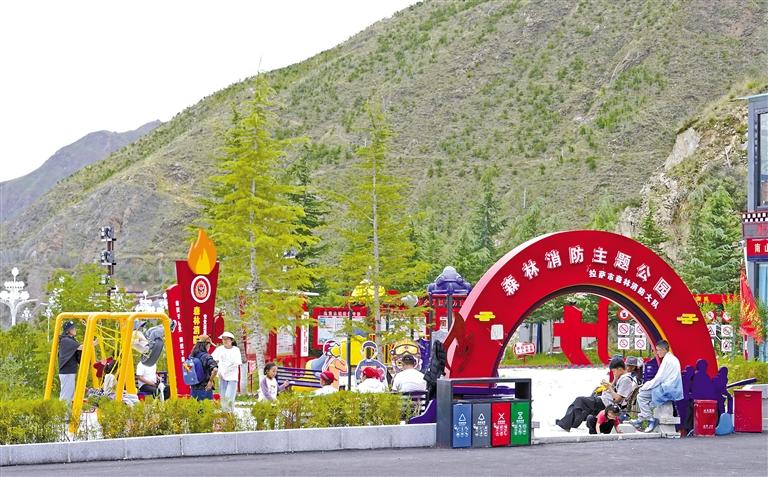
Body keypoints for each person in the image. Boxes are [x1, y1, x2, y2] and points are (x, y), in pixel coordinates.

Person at [556, 358, 634, 431]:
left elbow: (618, 399)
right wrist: (615, 379)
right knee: (581, 405)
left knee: (579, 400)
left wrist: (609, 387)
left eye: (614, 371)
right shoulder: (621, 377)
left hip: (606, 404)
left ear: (620, 369)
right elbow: (614, 389)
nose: (613, 373)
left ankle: (566, 424)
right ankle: (568, 423)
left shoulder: (626, 380)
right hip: (604, 400)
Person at [630, 340, 683, 433]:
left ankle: (650, 419)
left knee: (641, 396)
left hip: (667, 389)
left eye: (658, 350)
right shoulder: (672, 359)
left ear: (663, 349)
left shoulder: (667, 360)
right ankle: (641, 418)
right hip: (672, 388)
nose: (657, 353)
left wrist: (645, 386)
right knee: (646, 398)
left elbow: (659, 378)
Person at [211, 332, 243, 410]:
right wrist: (217, 370)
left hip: (232, 377)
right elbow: (212, 359)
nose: (225, 341)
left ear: (231, 340)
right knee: (223, 398)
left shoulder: (236, 350)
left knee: (229, 397)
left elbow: (237, 362)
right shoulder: (219, 349)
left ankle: (229, 414)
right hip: (222, 376)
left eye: (227, 339)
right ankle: (225, 414)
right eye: (223, 339)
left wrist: (227, 370)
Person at [58, 320, 82, 402]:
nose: (75, 329)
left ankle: (65, 410)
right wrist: (93, 343)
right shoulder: (66, 340)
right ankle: (62, 411)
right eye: (72, 328)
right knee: (66, 396)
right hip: (67, 372)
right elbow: (81, 347)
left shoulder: (70, 340)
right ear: (68, 331)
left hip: (69, 371)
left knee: (69, 395)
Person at [189, 335, 218, 400]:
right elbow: (215, 369)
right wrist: (210, 381)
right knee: (206, 407)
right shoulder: (207, 356)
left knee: (194, 406)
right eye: (210, 345)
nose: (209, 347)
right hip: (205, 389)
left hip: (193, 389)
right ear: (206, 344)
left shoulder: (192, 356)